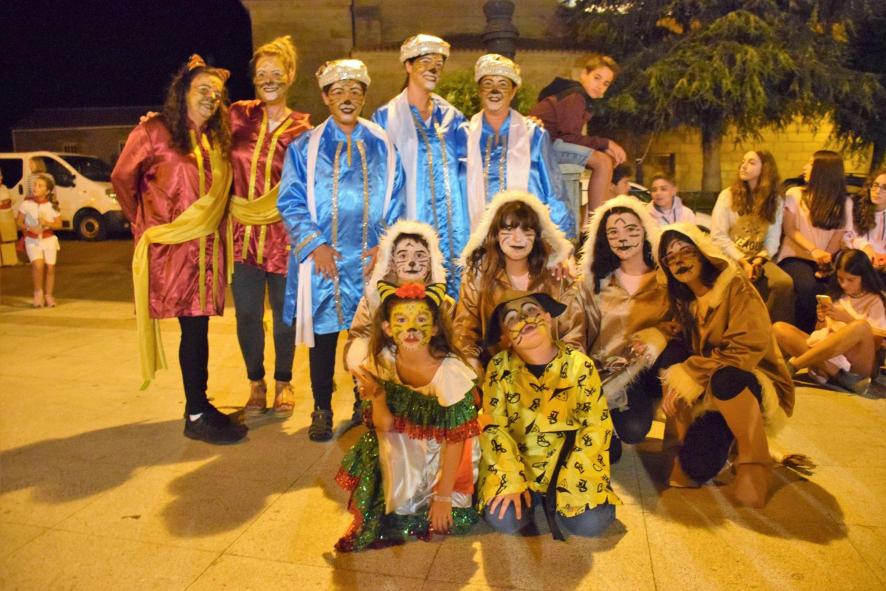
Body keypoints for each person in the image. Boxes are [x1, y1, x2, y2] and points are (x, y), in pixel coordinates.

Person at [111, 55, 244, 444]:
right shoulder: (154, 131)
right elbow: (122, 177)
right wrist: (143, 224)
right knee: (194, 328)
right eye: (203, 89)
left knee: (198, 328)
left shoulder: (215, 139)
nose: (210, 97)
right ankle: (196, 413)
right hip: (174, 250)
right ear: (183, 91)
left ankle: (198, 405)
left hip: (206, 251)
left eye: (216, 93)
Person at [278, 59, 404, 442]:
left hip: (368, 262)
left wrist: (384, 246)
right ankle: (321, 408)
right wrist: (314, 246)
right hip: (324, 261)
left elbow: (398, 198)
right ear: (325, 97)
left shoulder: (382, 143)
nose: (347, 98)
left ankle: (362, 405)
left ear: (363, 96)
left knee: (364, 336)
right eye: (338, 92)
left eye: (354, 91)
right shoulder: (304, 147)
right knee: (324, 337)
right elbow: (290, 201)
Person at [335, 281, 480, 551]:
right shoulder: (383, 361)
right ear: (387, 328)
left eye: (421, 320)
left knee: (435, 512)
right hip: (402, 445)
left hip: (445, 451)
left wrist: (444, 497)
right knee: (385, 485)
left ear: (435, 328)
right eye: (401, 320)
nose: (411, 328)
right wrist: (378, 396)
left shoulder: (449, 373)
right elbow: (384, 426)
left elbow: (457, 439)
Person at [657, 223, 794, 508]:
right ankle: (683, 448)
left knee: (726, 378)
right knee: (692, 469)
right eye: (671, 257)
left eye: (686, 251)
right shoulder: (684, 301)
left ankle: (755, 464)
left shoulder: (736, 286)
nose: (679, 261)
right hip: (710, 392)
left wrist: (689, 374)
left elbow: (745, 349)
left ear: (703, 253)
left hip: (751, 381)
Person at [478, 291, 619, 539]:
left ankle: (560, 499)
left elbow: (596, 427)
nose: (524, 319)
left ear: (547, 317)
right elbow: (493, 427)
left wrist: (572, 482)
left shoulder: (580, 365)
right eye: (512, 319)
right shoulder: (499, 368)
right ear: (505, 337)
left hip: (569, 465)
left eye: (531, 311)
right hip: (521, 465)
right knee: (505, 518)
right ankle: (530, 498)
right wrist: (510, 478)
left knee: (590, 524)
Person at [227, 36, 312, 417]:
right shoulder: (238, 116)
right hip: (242, 234)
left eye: (276, 72)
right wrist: (157, 122)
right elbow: (196, 125)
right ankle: (255, 382)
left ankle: (283, 381)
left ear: (290, 76)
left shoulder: (303, 128)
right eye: (262, 73)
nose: (269, 80)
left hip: (284, 236)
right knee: (246, 312)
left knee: (284, 315)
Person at [571, 195, 677, 461]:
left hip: (642, 375)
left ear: (645, 231)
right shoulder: (594, 283)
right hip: (600, 373)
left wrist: (656, 337)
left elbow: (678, 325)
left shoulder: (665, 281)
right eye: (613, 232)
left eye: (631, 229)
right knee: (609, 451)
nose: (623, 238)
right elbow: (575, 330)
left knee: (633, 429)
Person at [372, 34, 469, 296]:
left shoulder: (452, 117)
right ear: (408, 65)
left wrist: (527, 126)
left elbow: (474, 162)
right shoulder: (384, 118)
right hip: (409, 228)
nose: (433, 69)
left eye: (439, 64)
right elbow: (378, 182)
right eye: (425, 62)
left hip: (454, 229)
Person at [453, 190, 578, 377]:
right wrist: (474, 374)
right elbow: (464, 333)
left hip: (555, 376)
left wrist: (564, 377)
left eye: (527, 231)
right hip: (499, 378)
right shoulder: (477, 277)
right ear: (496, 234)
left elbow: (573, 333)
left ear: (537, 236)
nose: (517, 238)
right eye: (508, 229)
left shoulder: (557, 275)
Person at [345, 219, 452, 425]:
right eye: (403, 255)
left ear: (431, 262)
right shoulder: (373, 301)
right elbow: (358, 338)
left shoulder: (444, 303)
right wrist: (365, 368)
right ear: (392, 262)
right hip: (388, 380)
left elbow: (457, 343)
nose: (411, 262)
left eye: (419, 255)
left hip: (432, 385)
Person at [463, 54, 574, 237]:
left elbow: (554, 191)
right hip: (478, 238)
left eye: (503, 85)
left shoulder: (533, 135)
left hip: (526, 237)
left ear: (513, 92)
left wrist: (560, 240)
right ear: (480, 91)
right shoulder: (463, 135)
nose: (495, 90)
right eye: (488, 84)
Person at [773, 249, 885, 393]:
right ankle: (838, 375)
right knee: (779, 328)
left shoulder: (874, 300)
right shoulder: (837, 295)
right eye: (840, 279)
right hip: (830, 357)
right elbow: (819, 335)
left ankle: (795, 365)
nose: (844, 284)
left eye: (850, 280)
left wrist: (847, 319)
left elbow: (876, 343)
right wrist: (821, 318)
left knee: (861, 326)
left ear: (864, 277)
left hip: (857, 364)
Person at [530, 53, 627, 215]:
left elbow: (570, 137)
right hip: (541, 146)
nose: (600, 86)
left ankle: (596, 216)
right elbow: (569, 137)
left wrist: (603, 147)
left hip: (547, 144)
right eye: (597, 78)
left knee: (604, 159)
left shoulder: (574, 94)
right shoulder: (576, 96)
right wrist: (606, 143)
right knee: (603, 162)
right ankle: (596, 221)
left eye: (606, 83)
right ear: (584, 74)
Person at [710, 151, 794, 324]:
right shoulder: (727, 195)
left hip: (758, 258)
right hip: (730, 256)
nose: (744, 166)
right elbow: (718, 236)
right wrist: (742, 260)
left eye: (751, 162)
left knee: (783, 283)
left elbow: (773, 239)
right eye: (743, 161)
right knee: (736, 282)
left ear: (765, 169)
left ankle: (772, 329)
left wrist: (759, 260)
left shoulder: (775, 200)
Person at [777, 150, 853, 332]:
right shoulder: (795, 194)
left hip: (825, 259)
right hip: (795, 256)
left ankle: (830, 335)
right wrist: (813, 250)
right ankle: (808, 334)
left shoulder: (844, 202)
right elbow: (790, 229)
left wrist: (825, 260)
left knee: (830, 288)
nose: (805, 167)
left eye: (810, 164)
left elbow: (838, 235)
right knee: (809, 287)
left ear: (823, 170)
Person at [16, 173, 62, 307]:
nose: (36, 187)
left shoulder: (52, 205)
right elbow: (19, 222)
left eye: (40, 186)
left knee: (50, 268)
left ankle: (49, 295)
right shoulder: (26, 204)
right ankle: (38, 293)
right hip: (32, 240)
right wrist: (30, 228)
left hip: (48, 239)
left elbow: (59, 224)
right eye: (35, 185)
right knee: (38, 265)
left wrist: (47, 223)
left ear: (47, 191)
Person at [847, 169, 886, 269]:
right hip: (857, 259)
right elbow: (846, 237)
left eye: (885, 188)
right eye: (875, 185)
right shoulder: (856, 207)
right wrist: (865, 246)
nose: (877, 191)